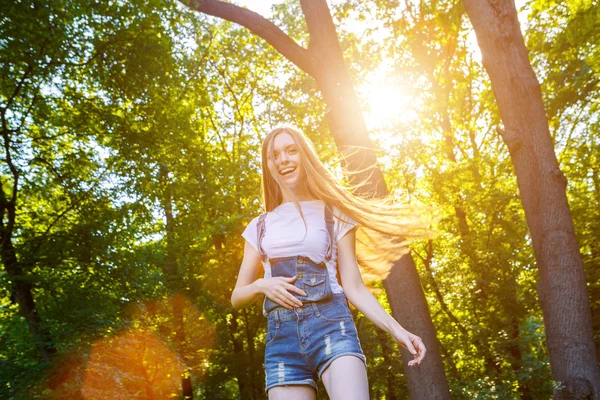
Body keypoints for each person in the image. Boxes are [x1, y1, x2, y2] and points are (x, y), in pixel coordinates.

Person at [231, 124, 433, 399]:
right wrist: (262, 285)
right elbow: (237, 296)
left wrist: (397, 330)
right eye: (274, 155)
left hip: (331, 325)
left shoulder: (334, 214)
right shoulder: (259, 226)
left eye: (291, 151)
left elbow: (354, 286)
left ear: (305, 156)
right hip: (281, 340)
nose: (283, 160)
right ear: (268, 164)